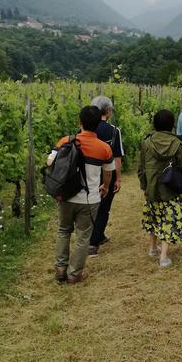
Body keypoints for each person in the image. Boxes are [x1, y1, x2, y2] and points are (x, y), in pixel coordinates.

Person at [48, 105, 112, 284]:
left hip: (66, 196)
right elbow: (108, 172)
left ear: (79, 122)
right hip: (89, 198)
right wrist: (105, 187)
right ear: (99, 124)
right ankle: (75, 274)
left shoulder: (65, 141)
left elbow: (49, 161)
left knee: (63, 230)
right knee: (83, 236)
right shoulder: (104, 148)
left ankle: (60, 269)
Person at [138, 109, 182, 268]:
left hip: (151, 189)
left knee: (153, 217)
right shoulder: (177, 144)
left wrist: (144, 187)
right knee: (169, 219)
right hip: (170, 189)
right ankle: (164, 257)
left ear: (155, 124)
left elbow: (141, 169)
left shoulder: (146, 143)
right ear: (172, 125)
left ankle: (153, 248)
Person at [88, 95, 124, 257]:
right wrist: (118, 179)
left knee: (89, 207)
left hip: (87, 174)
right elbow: (117, 158)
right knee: (103, 209)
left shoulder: (86, 129)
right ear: (108, 111)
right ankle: (93, 243)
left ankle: (97, 236)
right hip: (106, 175)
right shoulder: (114, 131)